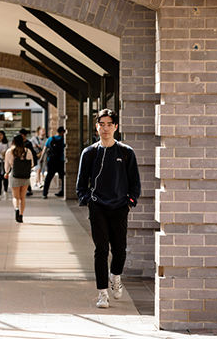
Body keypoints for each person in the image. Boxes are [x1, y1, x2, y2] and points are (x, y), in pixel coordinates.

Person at [76, 109, 141, 309]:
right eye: (101, 124)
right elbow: (81, 185)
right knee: (101, 250)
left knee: (120, 250)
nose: (105, 128)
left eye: (109, 124)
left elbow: (135, 183)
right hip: (98, 208)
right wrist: (89, 201)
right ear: (96, 126)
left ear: (116, 127)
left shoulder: (126, 152)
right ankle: (102, 293)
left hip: (120, 207)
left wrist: (129, 202)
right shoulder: (90, 153)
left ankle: (116, 276)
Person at [4, 135, 33, 223]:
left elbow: (7, 165)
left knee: (15, 197)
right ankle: (21, 214)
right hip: (25, 176)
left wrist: (7, 172)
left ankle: (16, 208)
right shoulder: (28, 151)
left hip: (14, 175)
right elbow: (31, 165)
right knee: (22, 197)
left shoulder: (9, 151)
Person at [41, 127, 67, 199]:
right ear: (62, 132)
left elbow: (45, 149)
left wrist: (41, 158)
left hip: (51, 161)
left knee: (48, 177)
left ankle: (44, 193)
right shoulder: (63, 140)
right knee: (62, 177)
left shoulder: (50, 139)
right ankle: (62, 191)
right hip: (60, 161)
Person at [19, 128, 37, 197]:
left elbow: (31, 154)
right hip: (21, 163)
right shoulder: (20, 143)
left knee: (25, 177)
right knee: (24, 177)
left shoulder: (28, 143)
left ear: (25, 135)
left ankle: (29, 190)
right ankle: (28, 190)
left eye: (22, 135)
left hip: (26, 163)